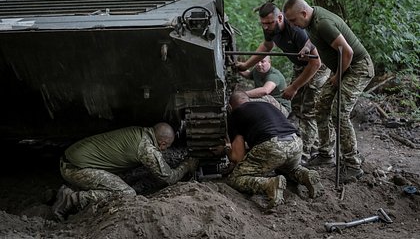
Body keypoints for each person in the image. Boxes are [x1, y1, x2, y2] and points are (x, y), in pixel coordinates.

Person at [283, 0, 375, 182]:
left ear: (303, 13)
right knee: (321, 106)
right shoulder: (310, 20)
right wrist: (307, 47)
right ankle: (326, 154)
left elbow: (347, 52)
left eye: (293, 21)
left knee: (339, 113)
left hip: (358, 67)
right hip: (344, 69)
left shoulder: (322, 22)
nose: (292, 25)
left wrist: (337, 76)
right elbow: (315, 38)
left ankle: (353, 165)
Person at [236, 2, 330, 159]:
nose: (266, 27)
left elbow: (316, 62)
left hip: (318, 67)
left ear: (280, 18)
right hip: (300, 66)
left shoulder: (296, 30)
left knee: (309, 110)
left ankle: (307, 153)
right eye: (263, 23)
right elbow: (267, 46)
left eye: (269, 23)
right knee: (297, 107)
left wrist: (294, 87)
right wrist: (245, 65)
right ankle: (310, 145)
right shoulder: (270, 28)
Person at [52, 123, 198, 221]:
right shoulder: (147, 149)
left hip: (70, 160)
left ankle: (59, 192)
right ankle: (71, 199)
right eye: (166, 147)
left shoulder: (140, 132)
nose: (165, 150)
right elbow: (169, 178)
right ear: (163, 143)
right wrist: (187, 165)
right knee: (126, 193)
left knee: (118, 180)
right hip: (75, 168)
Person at [224, 91, 324, 208]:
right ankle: (305, 174)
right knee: (287, 168)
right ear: (249, 99)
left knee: (235, 178)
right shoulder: (267, 105)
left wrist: (226, 149)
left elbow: (238, 157)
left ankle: (269, 184)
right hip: (295, 142)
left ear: (230, 106)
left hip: (272, 145)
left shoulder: (235, 114)